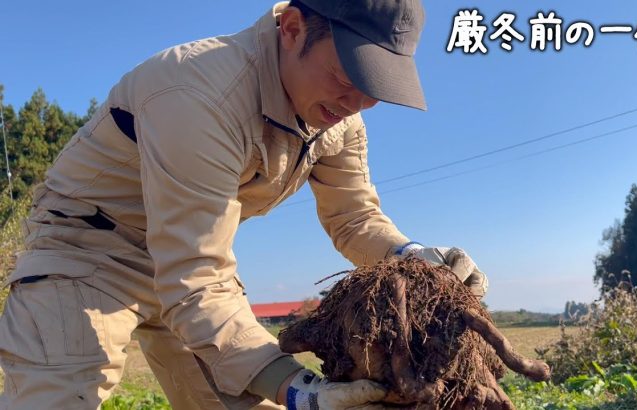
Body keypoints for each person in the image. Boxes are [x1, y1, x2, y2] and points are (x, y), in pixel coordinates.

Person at [0, 0, 488, 409]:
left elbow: (354, 216)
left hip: (194, 265)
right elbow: (195, 278)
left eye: (376, 87)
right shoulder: (198, 93)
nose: (358, 101)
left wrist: (413, 256)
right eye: (347, 75)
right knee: (55, 399)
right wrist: (299, 390)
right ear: (293, 29)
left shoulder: (339, 120)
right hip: (89, 253)